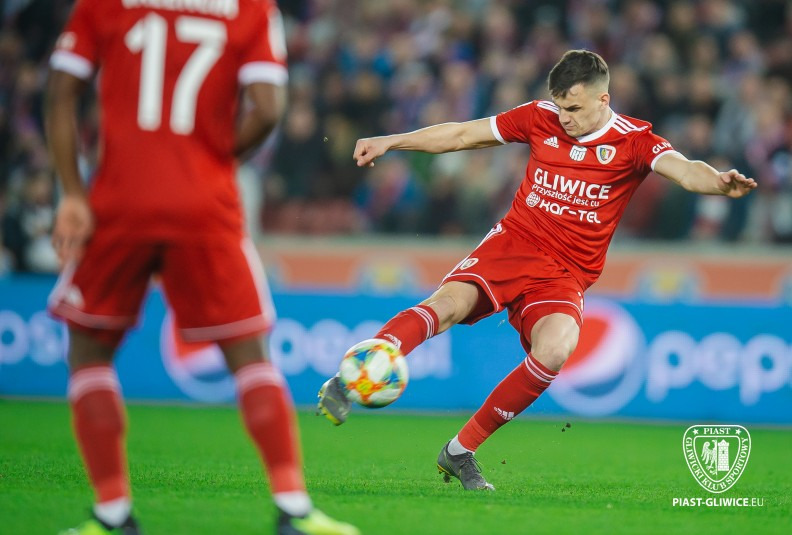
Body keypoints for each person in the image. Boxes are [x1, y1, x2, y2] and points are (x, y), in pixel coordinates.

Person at [317, 50, 757, 491]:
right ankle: (350, 376)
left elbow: (686, 171)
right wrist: (392, 141)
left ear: (603, 100)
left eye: (574, 108)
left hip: (566, 272)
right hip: (513, 244)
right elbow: (463, 134)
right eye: (560, 106)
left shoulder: (635, 141)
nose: (564, 118)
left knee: (556, 349)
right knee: (447, 305)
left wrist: (718, 182)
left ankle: (459, 451)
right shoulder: (538, 117)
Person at [45, 1, 358, 534]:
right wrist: (213, 163)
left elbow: (60, 90)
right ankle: (293, 508)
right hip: (204, 203)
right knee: (251, 356)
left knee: (90, 352)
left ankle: (113, 512)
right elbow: (268, 108)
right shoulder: (251, 8)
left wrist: (72, 192)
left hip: (120, 197)